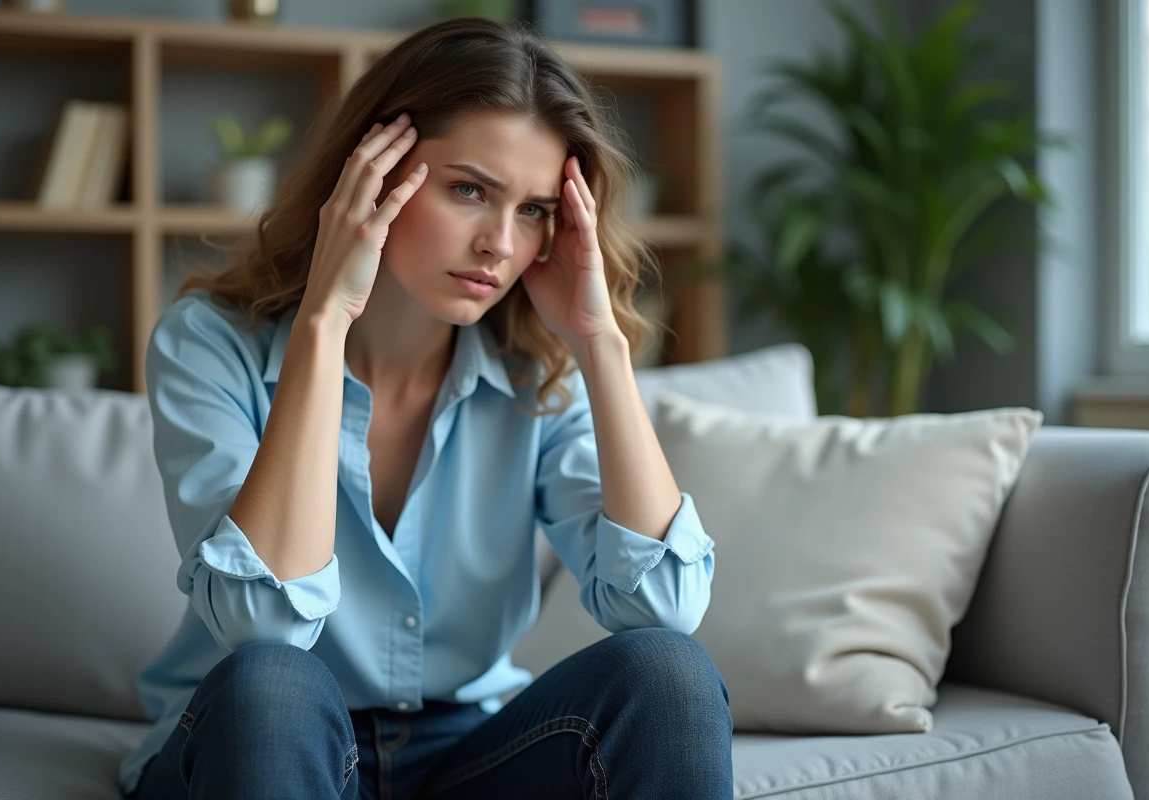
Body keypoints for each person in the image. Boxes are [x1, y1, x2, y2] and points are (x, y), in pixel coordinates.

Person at [120, 15, 732, 800]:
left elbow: (665, 606)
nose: (499, 245)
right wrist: (322, 324)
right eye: (469, 190)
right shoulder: (209, 344)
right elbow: (260, 626)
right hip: (263, 740)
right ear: (370, 177)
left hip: (465, 753)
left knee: (669, 673)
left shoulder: (539, 373)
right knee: (272, 682)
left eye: (534, 210)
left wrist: (599, 341)